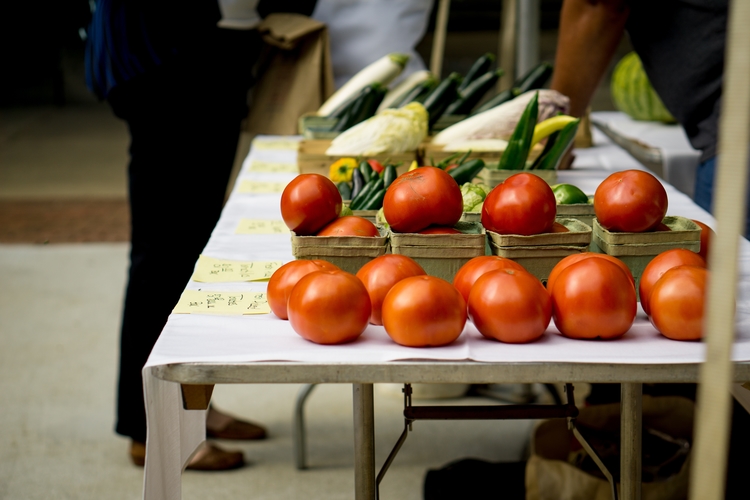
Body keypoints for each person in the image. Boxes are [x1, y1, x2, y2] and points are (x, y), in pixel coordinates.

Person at [85, 0, 314, 470]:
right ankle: (152, 427)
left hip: (213, 46)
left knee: (192, 249)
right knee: (164, 247)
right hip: (169, 55)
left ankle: (191, 407)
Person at [550, 0, 735, 230]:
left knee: (723, 255)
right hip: (727, 126)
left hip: (737, 134)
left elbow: (596, 5)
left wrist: (558, 139)